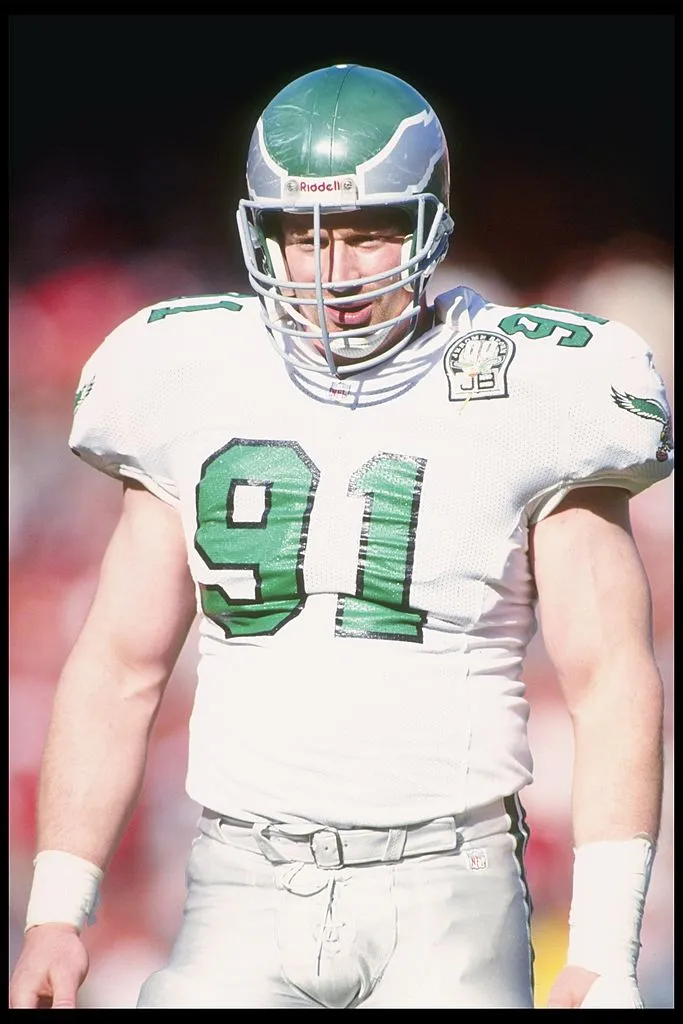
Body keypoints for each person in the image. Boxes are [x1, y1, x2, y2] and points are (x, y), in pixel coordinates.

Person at [9, 63, 673, 1010]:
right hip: (240, 878)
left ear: (430, 225)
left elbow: (609, 676)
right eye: (301, 235)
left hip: (450, 881)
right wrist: (56, 913)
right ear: (256, 233)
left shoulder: (535, 386)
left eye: (367, 233)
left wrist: (605, 943)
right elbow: (119, 663)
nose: (334, 268)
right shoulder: (183, 372)